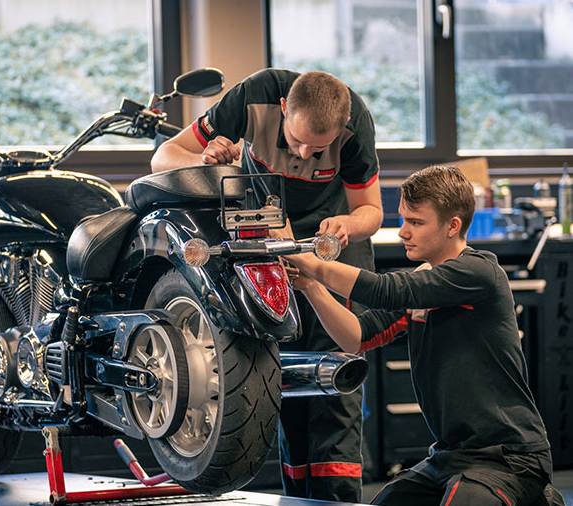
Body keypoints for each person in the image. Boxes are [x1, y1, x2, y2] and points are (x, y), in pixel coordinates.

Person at [151, 68, 383, 502]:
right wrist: (207, 162)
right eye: (297, 140)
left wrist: (348, 225)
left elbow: (371, 210)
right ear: (282, 109)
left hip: (330, 247)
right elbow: (163, 157)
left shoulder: (356, 125)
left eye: (318, 148)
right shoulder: (251, 97)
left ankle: (337, 500)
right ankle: (298, 498)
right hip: (265, 241)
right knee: (284, 381)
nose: (304, 154)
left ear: (341, 128)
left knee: (337, 385)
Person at [270, 165, 563, 506]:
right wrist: (310, 286)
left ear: (453, 225)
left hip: (507, 457)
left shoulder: (479, 271)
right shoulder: (424, 284)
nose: (402, 232)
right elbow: (356, 337)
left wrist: (302, 257)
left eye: (416, 222)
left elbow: (383, 290)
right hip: (449, 457)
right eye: (403, 219)